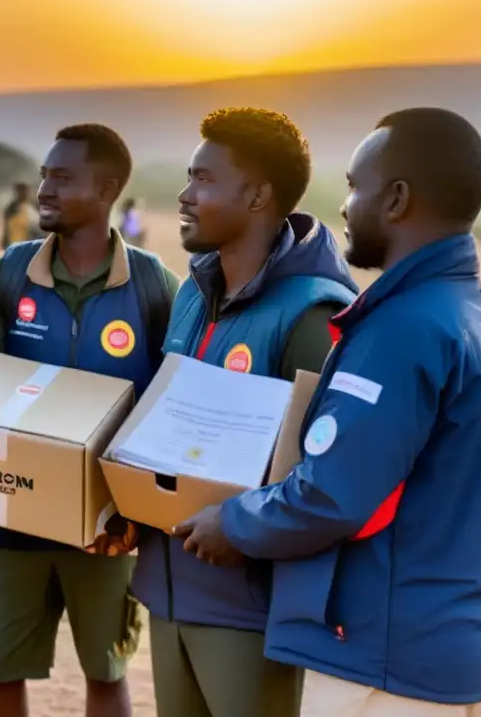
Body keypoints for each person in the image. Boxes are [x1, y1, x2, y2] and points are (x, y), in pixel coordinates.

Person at [177, 107, 481, 716]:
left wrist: (231, 523)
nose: (343, 206)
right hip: (455, 647)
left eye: (352, 186)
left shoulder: (402, 328)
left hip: (385, 658)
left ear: (395, 200)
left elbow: (332, 495)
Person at [0, 123, 180, 717]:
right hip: (11, 515)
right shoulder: (8, 278)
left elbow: (170, 410)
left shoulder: (153, 287)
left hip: (106, 529)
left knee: (106, 673)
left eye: (62, 178)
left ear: (108, 188)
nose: (45, 189)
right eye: (44, 175)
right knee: (0, 672)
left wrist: (137, 516)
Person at [129, 107, 359, 717]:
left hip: (249, 609)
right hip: (167, 589)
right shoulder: (190, 294)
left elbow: (320, 476)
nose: (184, 195)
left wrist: (238, 530)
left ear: (257, 195)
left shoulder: (315, 315)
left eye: (203, 180)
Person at [1, 181, 41, 248]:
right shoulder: (11, 208)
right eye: (20, 191)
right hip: (15, 242)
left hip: (31, 242)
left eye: (25, 191)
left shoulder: (34, 206)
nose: (23, 194)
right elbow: (6, 225)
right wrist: (5, 238)